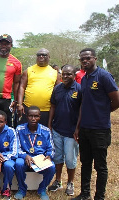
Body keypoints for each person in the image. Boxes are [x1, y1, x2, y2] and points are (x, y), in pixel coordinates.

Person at [72, 48, 119, 200]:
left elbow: (116, 99)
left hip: (100, 129)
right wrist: (78, 127)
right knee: (85, 163)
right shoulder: (84, 78)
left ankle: (99, 196)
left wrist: (104, 112)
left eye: (88, 58)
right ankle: (85, 194)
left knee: (100, 166)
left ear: (95, 59)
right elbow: (83, 104)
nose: (85, 61)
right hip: (85, 128)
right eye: (82, 59)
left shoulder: (104, 76)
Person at [47, 65, 81, 196]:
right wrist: (50, 125)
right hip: (57, 129)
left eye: (69, 74)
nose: (65, 76)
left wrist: (78, 128)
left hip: (71, 132)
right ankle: (58, 180)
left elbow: (81, 110)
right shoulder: (57, 88)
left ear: (74, 75)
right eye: (63, 74)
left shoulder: (79, 89)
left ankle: (70, 182)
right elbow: (53, 106)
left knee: (70, 159)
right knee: (58, 157)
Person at [15, 106, 55, 200]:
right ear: (26, 116)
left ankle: (42, 189)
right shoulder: (19, 129)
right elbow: (16, 148)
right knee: (18, 163)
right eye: (30, 116)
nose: (33, 119)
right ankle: (21, 189)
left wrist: (49, 156)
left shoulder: (46, 131)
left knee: (52, 166)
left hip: (39, 160)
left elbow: (51, 148)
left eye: (36, 116)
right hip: (26, 159)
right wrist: (25, 156)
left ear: (40, 117)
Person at [18, 48, 60, 127]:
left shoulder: (55, 73)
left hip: (46, 111)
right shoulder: (28, 70)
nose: (41, 56)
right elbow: (21, 87)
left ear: (49, 57)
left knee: (43, 134)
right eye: (39, 55)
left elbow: (58, 91)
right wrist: (20, 104)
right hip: (28, 109)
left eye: (44, 55)